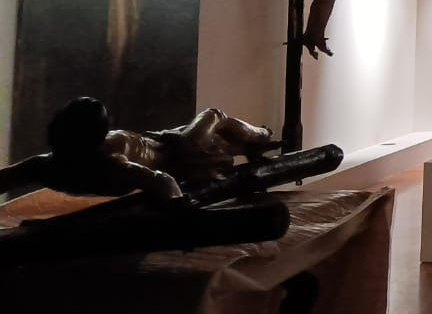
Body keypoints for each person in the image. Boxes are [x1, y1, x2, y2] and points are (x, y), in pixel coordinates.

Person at [0, 97, 275, 200]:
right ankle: (258, 137)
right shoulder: (47, 166)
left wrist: (183, 215)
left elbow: (164, 183)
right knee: (218, 131)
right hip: (166, 147)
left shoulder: (110, 164)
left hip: (172, 148)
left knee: (213, 120)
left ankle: (262, 134)